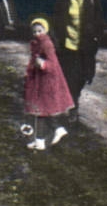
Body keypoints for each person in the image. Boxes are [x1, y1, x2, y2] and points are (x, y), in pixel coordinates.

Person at [49, 0, 103, 108]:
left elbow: (98, 17)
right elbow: (57, 19)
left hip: (86, 44)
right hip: (69, 45)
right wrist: (56, 39)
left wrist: (97, 37)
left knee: (84, 76)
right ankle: (73, 104)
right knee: (70, 76)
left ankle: (75, 96)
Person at [22, 18, 74, 150]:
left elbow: (53, 64)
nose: (37, 34)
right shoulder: (36, 43)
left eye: (40, 31)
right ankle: (47, 135)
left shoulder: (47, 44)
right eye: (35, 31)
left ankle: (44, 137)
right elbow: (33, 60)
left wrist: (44, 64)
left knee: (42, 111)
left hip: (46, 82)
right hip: (38, 81)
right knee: (39, 111)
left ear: (46, 30)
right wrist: (29, 71)